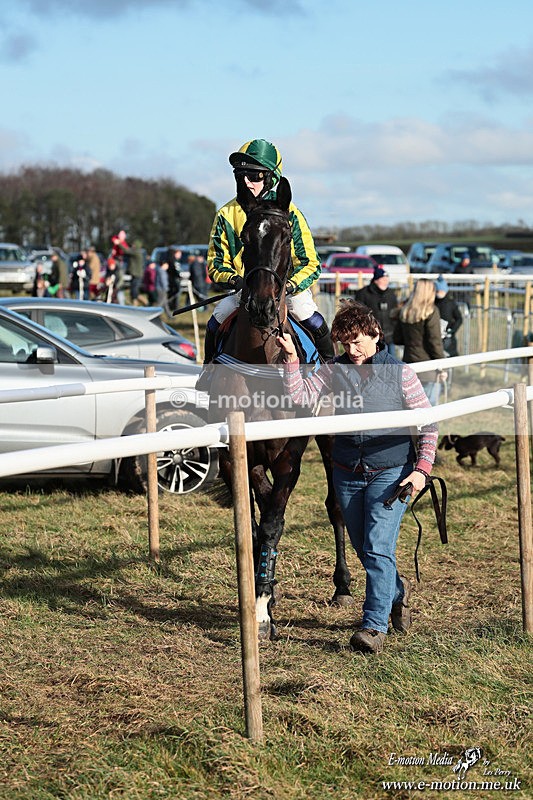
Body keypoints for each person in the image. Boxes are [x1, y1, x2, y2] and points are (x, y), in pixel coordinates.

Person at [276, 301, 438, 655]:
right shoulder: (333, 370)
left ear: (375, 335)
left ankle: (373, 626)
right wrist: (291, 360)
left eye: (358, 342)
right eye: (345, 344)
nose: (352, 350)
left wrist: (421, 470)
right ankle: (397, 590)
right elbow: (300, 396)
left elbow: (428, 424)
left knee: (377, 547)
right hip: (346, 472)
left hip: (391, 473)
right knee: (366, 550)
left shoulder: (401, 374)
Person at [204, 138, 334, 363]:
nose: (247, 182)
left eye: (254, 176)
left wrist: (289, 286)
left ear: (270, 177)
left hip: (287, 290)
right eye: (240, 176)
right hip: (245, 290)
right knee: (218, 318)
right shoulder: (226, 214)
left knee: (307, 314)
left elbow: (310, 263)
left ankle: (332, 369)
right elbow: (216, 263)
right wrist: (236, 281)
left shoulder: (291, 213)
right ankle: (208, 370)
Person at [393, 278, 447, 405]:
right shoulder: (431, 312)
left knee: (411, 407)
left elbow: (397, 338)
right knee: (429, 407)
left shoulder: (405, 311)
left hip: (409, 364)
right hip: (428, 368)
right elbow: (435, 342)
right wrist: (442, 366)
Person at [355, 266, 399, 355]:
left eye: (387, 279)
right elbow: (359, 314)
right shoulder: (363, 294)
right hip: (372, 336)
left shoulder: (391, 294)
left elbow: (395, 313)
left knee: (392, 360)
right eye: (383, 279)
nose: (386, 281)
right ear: (376, 280)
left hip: (389, 336)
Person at [434, 275, 462, 357]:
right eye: (437, 291)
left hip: (448, 337)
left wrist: (452, 330)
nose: (439, 293)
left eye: (441, 291)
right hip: (435, 336)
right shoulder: (433, 302)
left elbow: (459, 319)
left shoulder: (451, 303)